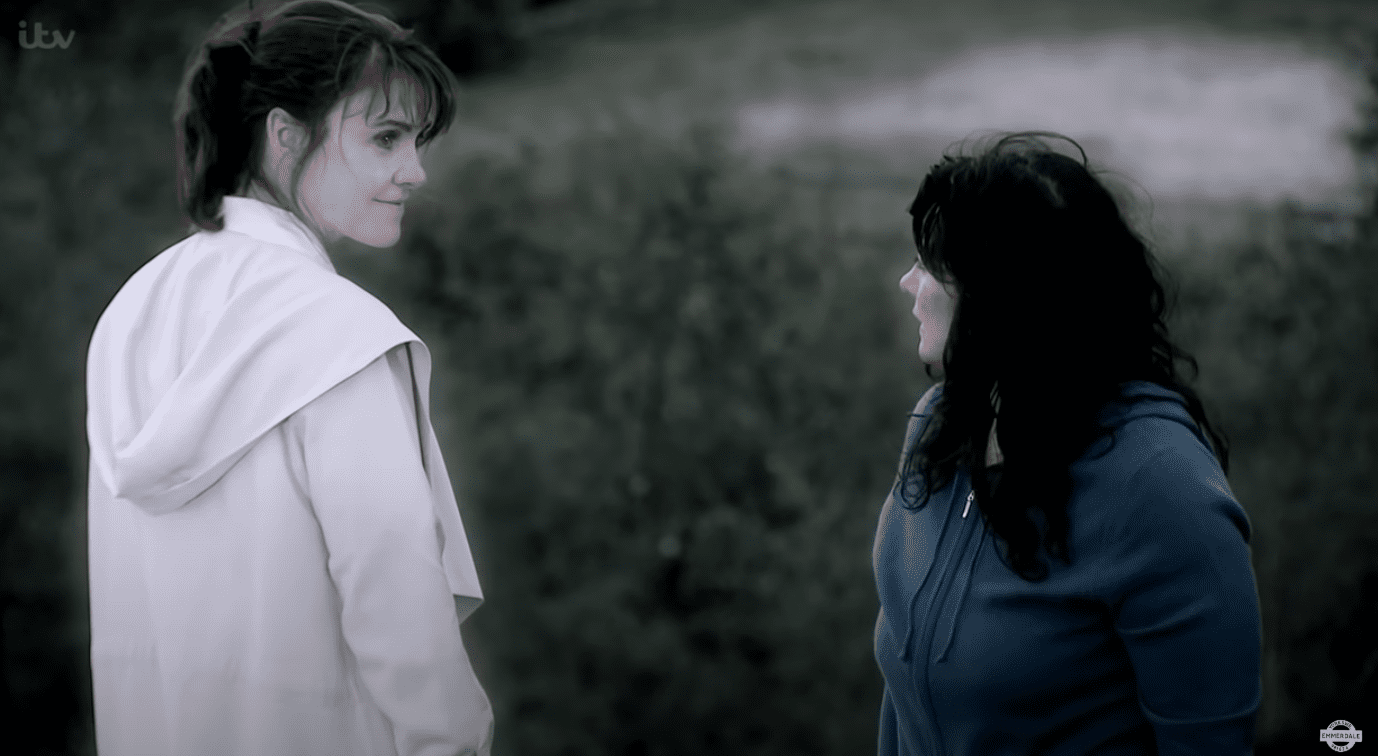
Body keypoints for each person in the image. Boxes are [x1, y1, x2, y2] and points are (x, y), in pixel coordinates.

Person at [84, 2, 492, 754]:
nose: (416, 171)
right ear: (285, 135)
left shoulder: (131, 316)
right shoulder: (337, 335)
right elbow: (398, 606)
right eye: (386, 137)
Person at [874, 132, 1262, 755]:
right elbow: (905, 694)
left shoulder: (1162, 488)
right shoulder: (939, 425)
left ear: (1005, 300)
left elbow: (1211, 744)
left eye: (933, 268)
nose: (907, 282)